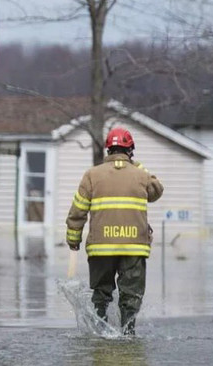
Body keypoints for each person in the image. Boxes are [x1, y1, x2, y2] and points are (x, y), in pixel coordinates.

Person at [65, 127, 164, 335]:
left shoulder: (91, 175)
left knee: (101, 294)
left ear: (108, 150)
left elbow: (77, 212)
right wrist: (137, 166)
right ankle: (128, 335)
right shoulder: (140, 175)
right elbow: (157, 191)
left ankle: (101, 333)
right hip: (134, 248)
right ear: (130, 151)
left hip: (101, 249)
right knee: (131, 297)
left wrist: (73, 241)